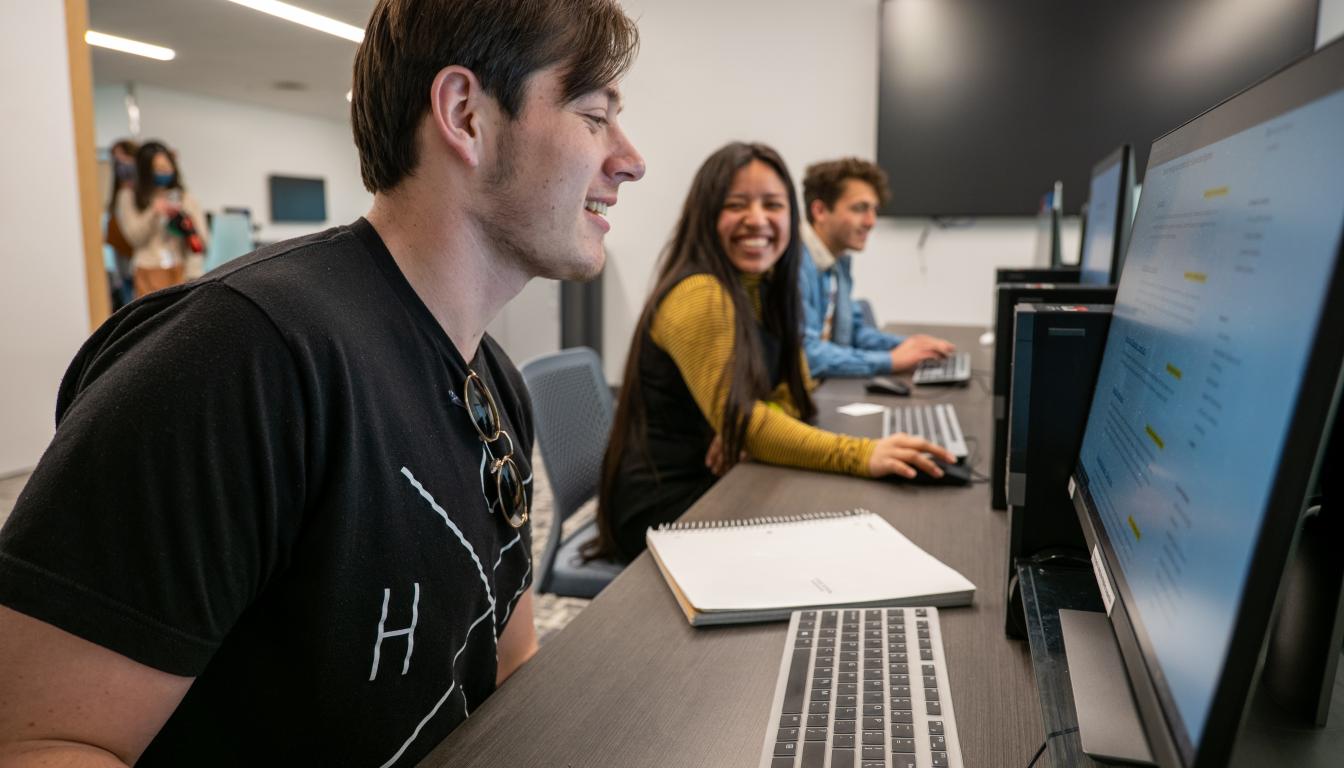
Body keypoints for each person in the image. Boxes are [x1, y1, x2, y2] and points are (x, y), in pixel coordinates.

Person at [0, 0, 644, 764]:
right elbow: (39, 742)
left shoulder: (494, 383)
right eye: (595, 115)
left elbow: (507, 664)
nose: (630, 159)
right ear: (466, 115)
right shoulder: (239, 359)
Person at [588, 143, 954, 562]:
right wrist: (862, 454)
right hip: (667, 504)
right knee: (830, 546)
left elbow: (791, 392)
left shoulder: (766, 287)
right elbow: (747, 421)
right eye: (736, 204)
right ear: (706, 215)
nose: (758, 220)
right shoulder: (700, 294)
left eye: (773, 205)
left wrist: (752, 427)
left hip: (726, 476)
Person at [798, 157, 955, 378]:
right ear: (820, 210)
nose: (871, 222)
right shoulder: (793, 264)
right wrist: (890, 361)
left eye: (874, 210)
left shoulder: (837, 262)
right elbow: (806, 356)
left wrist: (912, 346)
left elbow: (852, 333)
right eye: (860, 208)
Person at [115, 140, 209, 298]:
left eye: (167, 167)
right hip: (147, 271)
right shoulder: (129, 197)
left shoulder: (186, 198)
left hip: (180, 271)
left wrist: (194, 277)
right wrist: (154, 212)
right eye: (158, 169)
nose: (164, 172)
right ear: (145, 171)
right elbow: (135, 239)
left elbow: (202, 243)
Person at [104, 138, 138, 308]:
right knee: (126, 290)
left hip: (140, 253)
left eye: (124, 155)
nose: (121, 162)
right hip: (122, 249)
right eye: (117, 157)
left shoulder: (142, 193)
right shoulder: (120, 194)